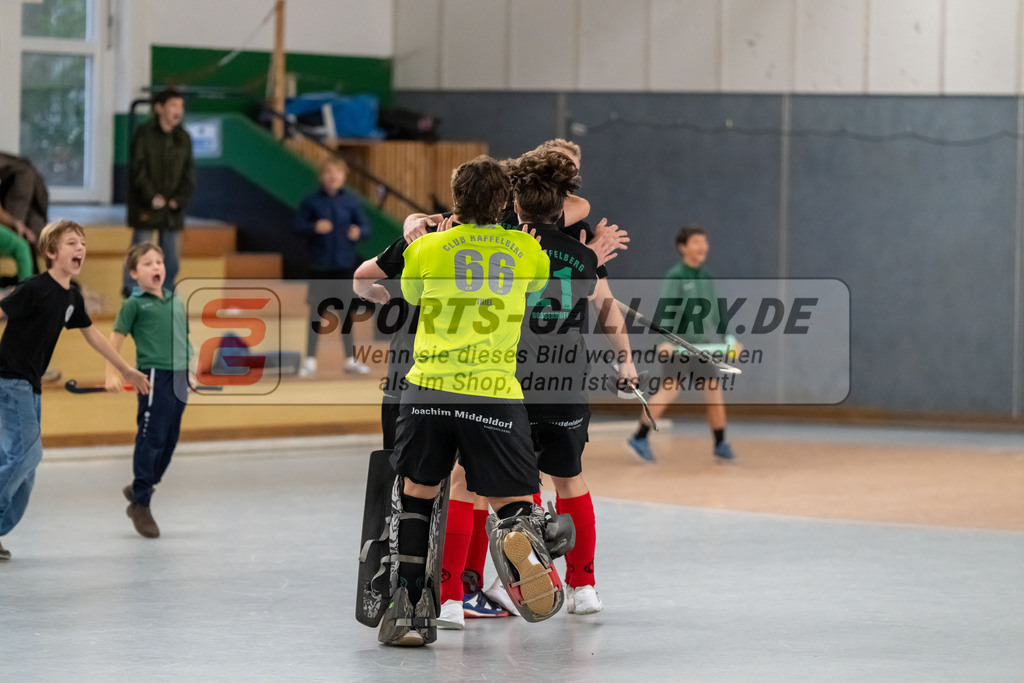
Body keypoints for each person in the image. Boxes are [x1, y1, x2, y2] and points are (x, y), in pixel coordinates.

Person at [378, 156, 573, 647]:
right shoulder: (526, 250)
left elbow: (413, 296)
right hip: (492, 392)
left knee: (418, 496)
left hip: (426, 390)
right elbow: (532, 294)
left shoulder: (427, 249)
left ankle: (409, 607)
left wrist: (421, 239)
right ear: (505, 203)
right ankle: (520, 533)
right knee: (511, 501)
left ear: (456, 199)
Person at [0, 220, 150, 561]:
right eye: (71, 243)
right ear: (51, 252)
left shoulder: (71, 297)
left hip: (30, 386)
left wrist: (125, 368)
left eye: (81, 243)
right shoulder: (33, 288)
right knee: (27, 454)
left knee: (25, 472)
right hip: (9, 381)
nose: (79, 248)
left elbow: (93, 335)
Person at [628, 225, 739, 463]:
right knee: (670, 390)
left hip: (702, 346)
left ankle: (720, 443)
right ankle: (639, 437)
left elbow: (718, 311)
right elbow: (666, 310)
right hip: (678, 345)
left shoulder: (707, 276)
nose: (702, 247)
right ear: (683, 247)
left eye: (704, 242)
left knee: (713, 392)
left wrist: (729, 338)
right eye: (696, 242)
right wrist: (664, 341)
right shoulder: (675, 276)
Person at [105, 242, 191, 539]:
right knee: (152, 438)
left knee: (169, 441)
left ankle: (142, 485)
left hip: (180, 377)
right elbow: (112, 344)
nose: (156, 267)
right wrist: (111, 374)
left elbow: (185, 339)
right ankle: (141, 502)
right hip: (154, 377)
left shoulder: (176, 301)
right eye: (147, 263)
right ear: (133, 273)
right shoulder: (134, 304)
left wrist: (191, 370)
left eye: (159, 262)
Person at [294, 157, 371, 377]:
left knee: (346, 314)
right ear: (321, 176)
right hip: (319, 266)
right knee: (316, 314)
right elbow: (297, 226)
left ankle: (350, 359)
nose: (332, 177)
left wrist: (359, 232)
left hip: (344, 265)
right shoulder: (311, 201)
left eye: (337, 173)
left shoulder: (352, 201)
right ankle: (310, 360)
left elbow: (366, 227)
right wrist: (313, 227)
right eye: (328, 172)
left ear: (343, 176)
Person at [124, 89, 194, 296]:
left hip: (173, 209)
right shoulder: (144, 135)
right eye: (173, 105)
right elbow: (138, 170)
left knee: (171, 259)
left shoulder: (184, 138)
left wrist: (178, 200)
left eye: (180, 106)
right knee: (141, 252)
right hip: (147, 206)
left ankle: (166, 295)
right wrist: (151, 196)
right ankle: (132, 293)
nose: (178, 111)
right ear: (159, 108)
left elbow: (189, 174)